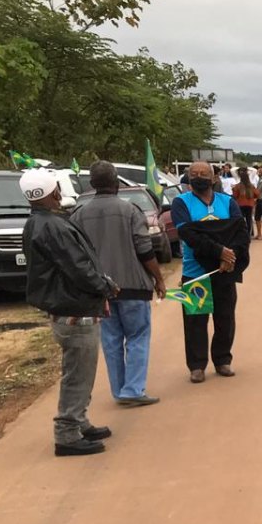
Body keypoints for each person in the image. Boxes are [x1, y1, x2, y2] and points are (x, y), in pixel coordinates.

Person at [19, 167, 118, 456]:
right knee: (78, 373)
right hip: (74, 308)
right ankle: (67, 433)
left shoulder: (38, 223)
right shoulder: (53, 226)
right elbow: (78, 267)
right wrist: (105, 286)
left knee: (81, 370)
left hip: (65, 307)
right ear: (54, 192)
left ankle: (79, 421)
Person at [71, 160, 165, 408]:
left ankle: (120, 390)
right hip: (133, 286)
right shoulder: (131, 211)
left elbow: (77, 256)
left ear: (92, 184)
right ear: (116, 183)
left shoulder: (78, 215)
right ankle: (133, 390)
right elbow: (145, 250)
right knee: (137, 336)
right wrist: (159, 279)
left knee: (111, 340)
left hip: (99, 291)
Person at [171, 160, 250, 383]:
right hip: (195, 273)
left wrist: (230, 255)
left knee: (225, 318)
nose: (199, 176)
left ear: (213, 178)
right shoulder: (180, 203)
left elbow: (241, 232)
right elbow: (188, 234)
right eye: (194, 173)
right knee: (195, 320)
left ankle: (223, 360)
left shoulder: (228, 202)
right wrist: (219, 251)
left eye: (204, 173)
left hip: (225, 271)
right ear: (188, 177)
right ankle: (196, 366)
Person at [232, 165, 258, 238]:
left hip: (240, 205)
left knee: (241, 220)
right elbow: (257, 194)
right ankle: (249, 234)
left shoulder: (237, 186)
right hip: (250, 205)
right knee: (249, 220)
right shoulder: (251, 186)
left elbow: (234, 196)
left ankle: (242, 234)